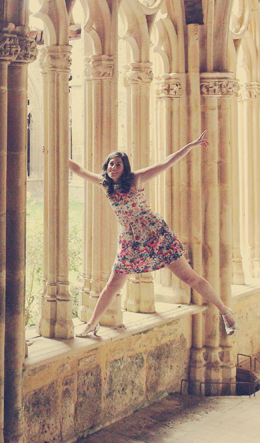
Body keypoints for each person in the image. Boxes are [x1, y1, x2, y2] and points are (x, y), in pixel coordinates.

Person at [68, 131, 236, 339]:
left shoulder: (136, 179)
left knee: (189, 277)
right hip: (131, 240)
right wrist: (54, 152)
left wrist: (191, 145)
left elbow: (165, 163)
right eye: (111, 164)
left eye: (118, 164)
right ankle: (92, 325)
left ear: (125, 167)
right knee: (113, 283)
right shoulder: (106, 184)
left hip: (156, 235)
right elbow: (78, 169)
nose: (113, 167)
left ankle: (225, 311)